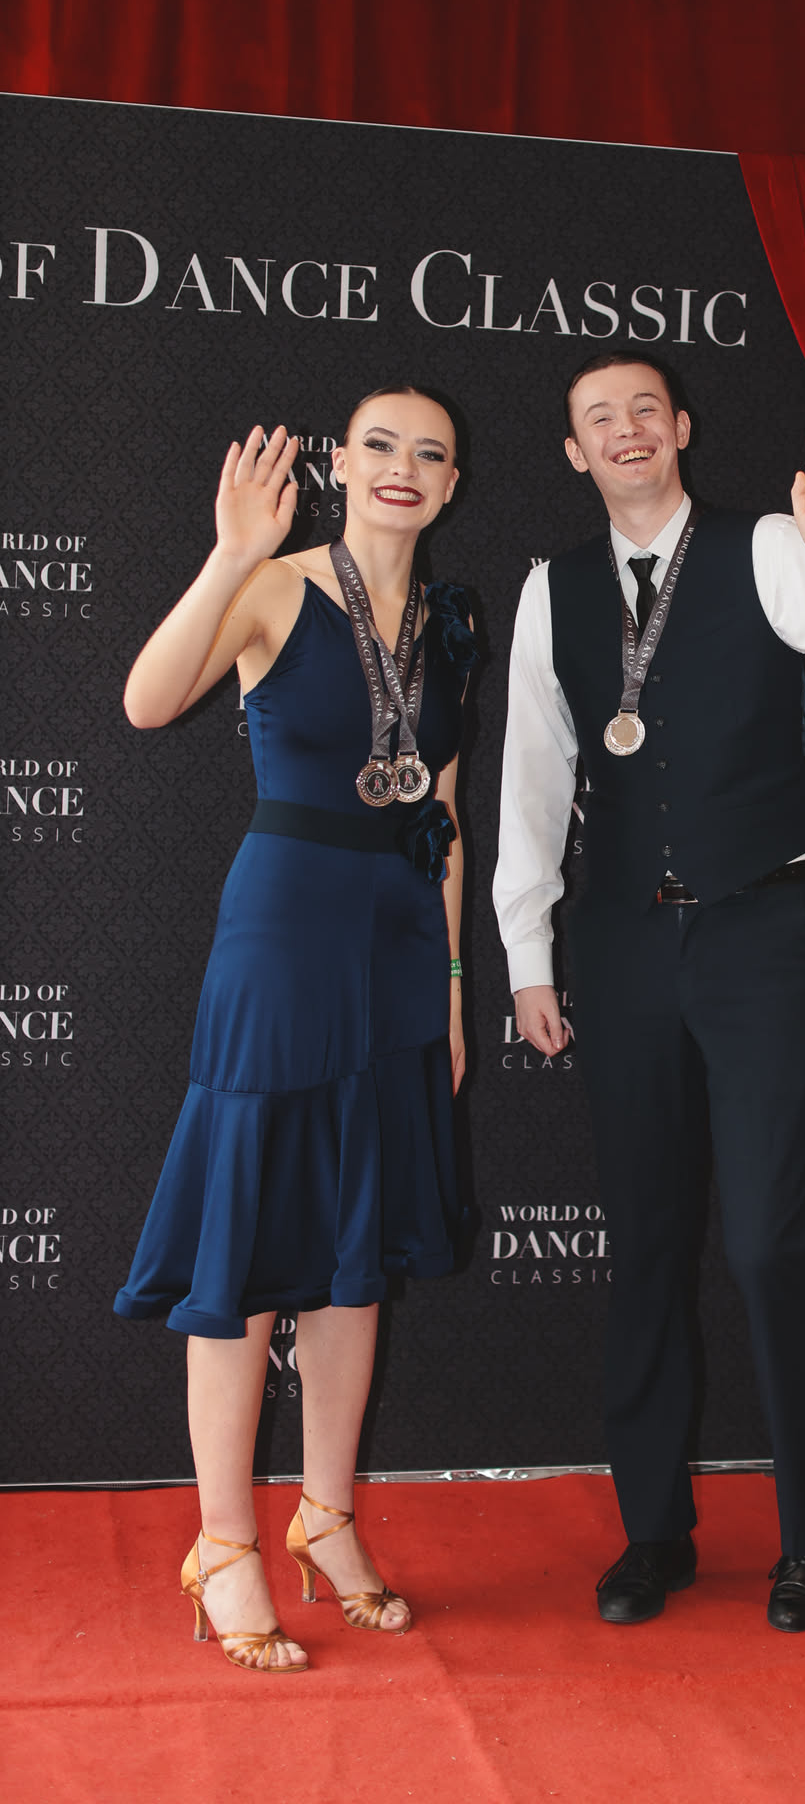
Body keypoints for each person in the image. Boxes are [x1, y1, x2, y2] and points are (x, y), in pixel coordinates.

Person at [493, 349, 805, 1632]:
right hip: (623, 947)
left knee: (769, 1240)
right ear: (574, 452)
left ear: (682, 428)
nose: (626, 429)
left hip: (762, 937)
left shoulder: (770, 549)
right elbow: (534, 777)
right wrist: (528, 953)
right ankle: (653, 1535)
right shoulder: (552, 589)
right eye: (599, 418)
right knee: (644, 1246)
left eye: (646, 408)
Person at [114, 386, 474, 1674]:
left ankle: (326, 1516)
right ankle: (224, 1541)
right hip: (283, 930)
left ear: (452, 484)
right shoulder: (275, 585)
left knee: (352, 1251)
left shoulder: (449, 625)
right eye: (380, 445)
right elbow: (148, 701)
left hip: (396, 947)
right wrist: (227, 554)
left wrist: (448, 985)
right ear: (340, 463)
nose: (402, 467)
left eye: (430, 453)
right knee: (248, 1235)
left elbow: (442, 814)